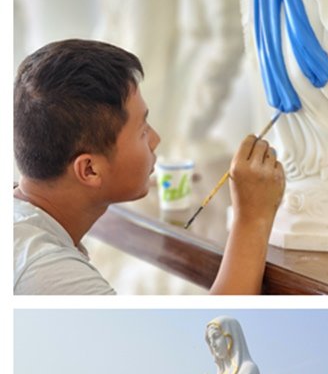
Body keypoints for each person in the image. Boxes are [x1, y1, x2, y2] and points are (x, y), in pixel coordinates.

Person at [14, 39, 285, 294]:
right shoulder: (47, 273)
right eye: (142, 130)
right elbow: (199, 340)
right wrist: (252, 217)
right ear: (90, 170)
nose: (155, 139)